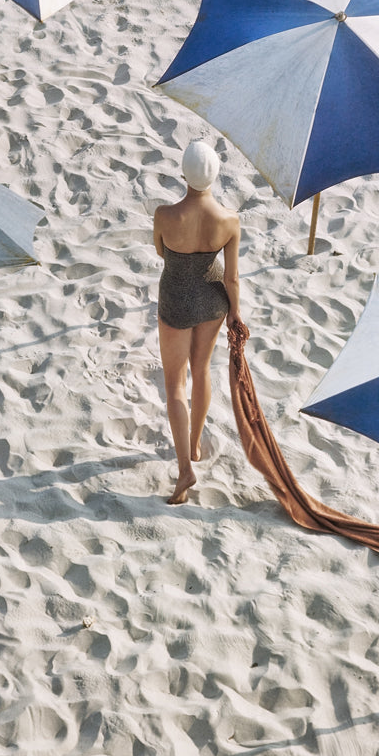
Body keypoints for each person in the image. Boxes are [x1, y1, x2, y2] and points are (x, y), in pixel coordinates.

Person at [153, 141, 240, 504]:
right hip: (213, 297)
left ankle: (184, 469)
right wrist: (235, 312)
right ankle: (194, 445)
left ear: (183, 173)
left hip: (175, 297)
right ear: (215, 175)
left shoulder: (165, 215)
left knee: (175, 383)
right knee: (201, 370)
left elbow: (161, 251)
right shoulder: (229, 220)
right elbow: (232, 278)